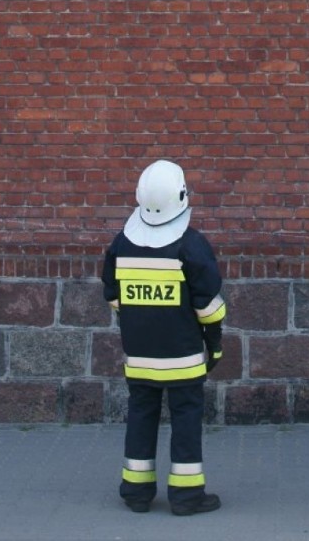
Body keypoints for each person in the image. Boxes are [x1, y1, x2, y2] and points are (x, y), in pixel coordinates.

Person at [101, 159, 226, 517]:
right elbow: (209, 307)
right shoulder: (191, 246)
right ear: (182, 195)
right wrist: (214, 344)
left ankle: (136, 493)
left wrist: (138, 321)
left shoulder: (122, 244)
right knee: (186, 418)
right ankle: (186, 497)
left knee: (141, 414)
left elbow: (113, 295)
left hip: (139, 356)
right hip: (182, 357)